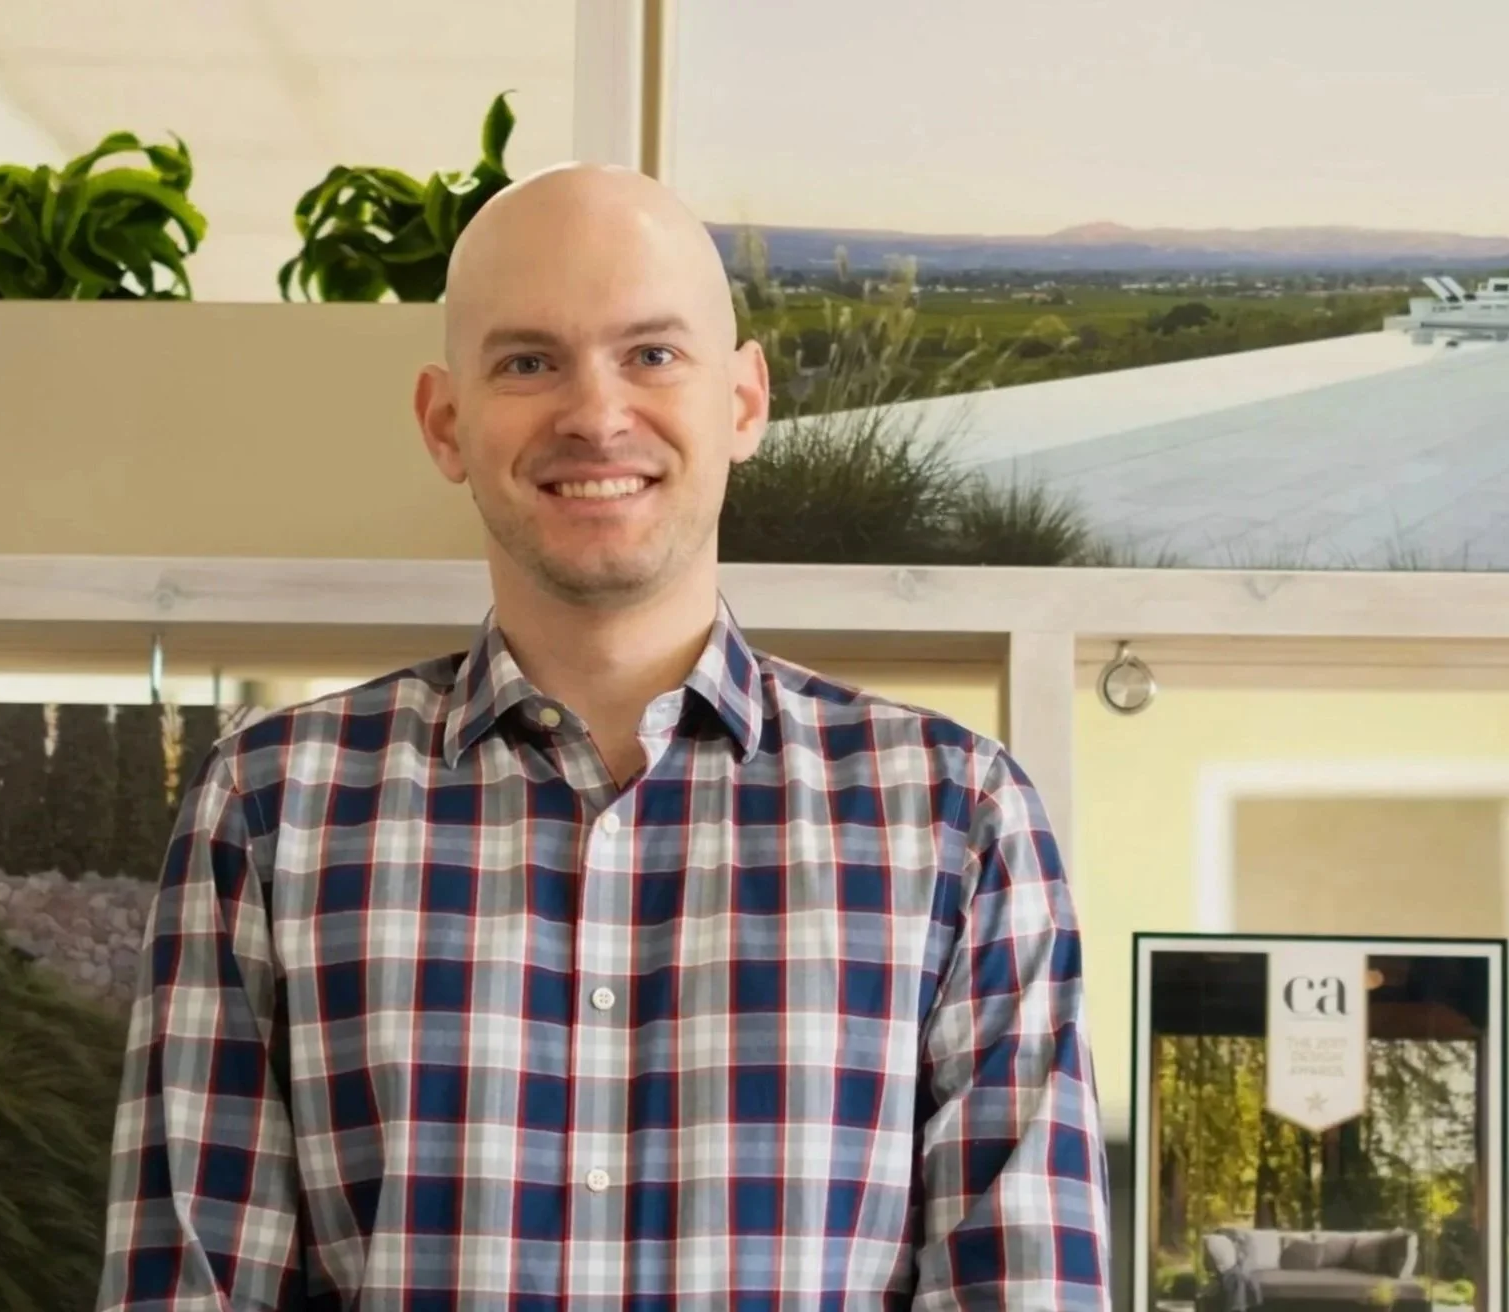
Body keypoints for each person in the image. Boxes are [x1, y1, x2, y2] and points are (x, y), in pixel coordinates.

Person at [95, 163, 1111, 1311]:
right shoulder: (273, 806)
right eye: (529, 362)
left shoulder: (954, 817)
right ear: (444, 421)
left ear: (742, 402)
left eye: (651, 354)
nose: (594, 413)